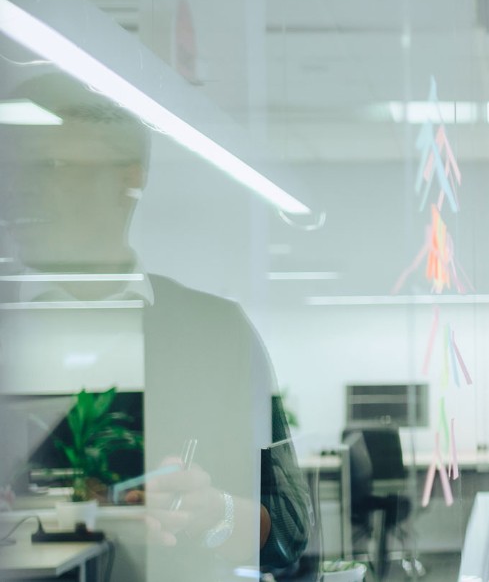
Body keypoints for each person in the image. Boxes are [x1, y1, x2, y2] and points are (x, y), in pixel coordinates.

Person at [0, 72, 311, 580]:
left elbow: (289, 533)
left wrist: (213, 513)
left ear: (130, 176)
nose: (25, 191)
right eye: (14, 170)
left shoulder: (215, 333)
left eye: (54, 166)